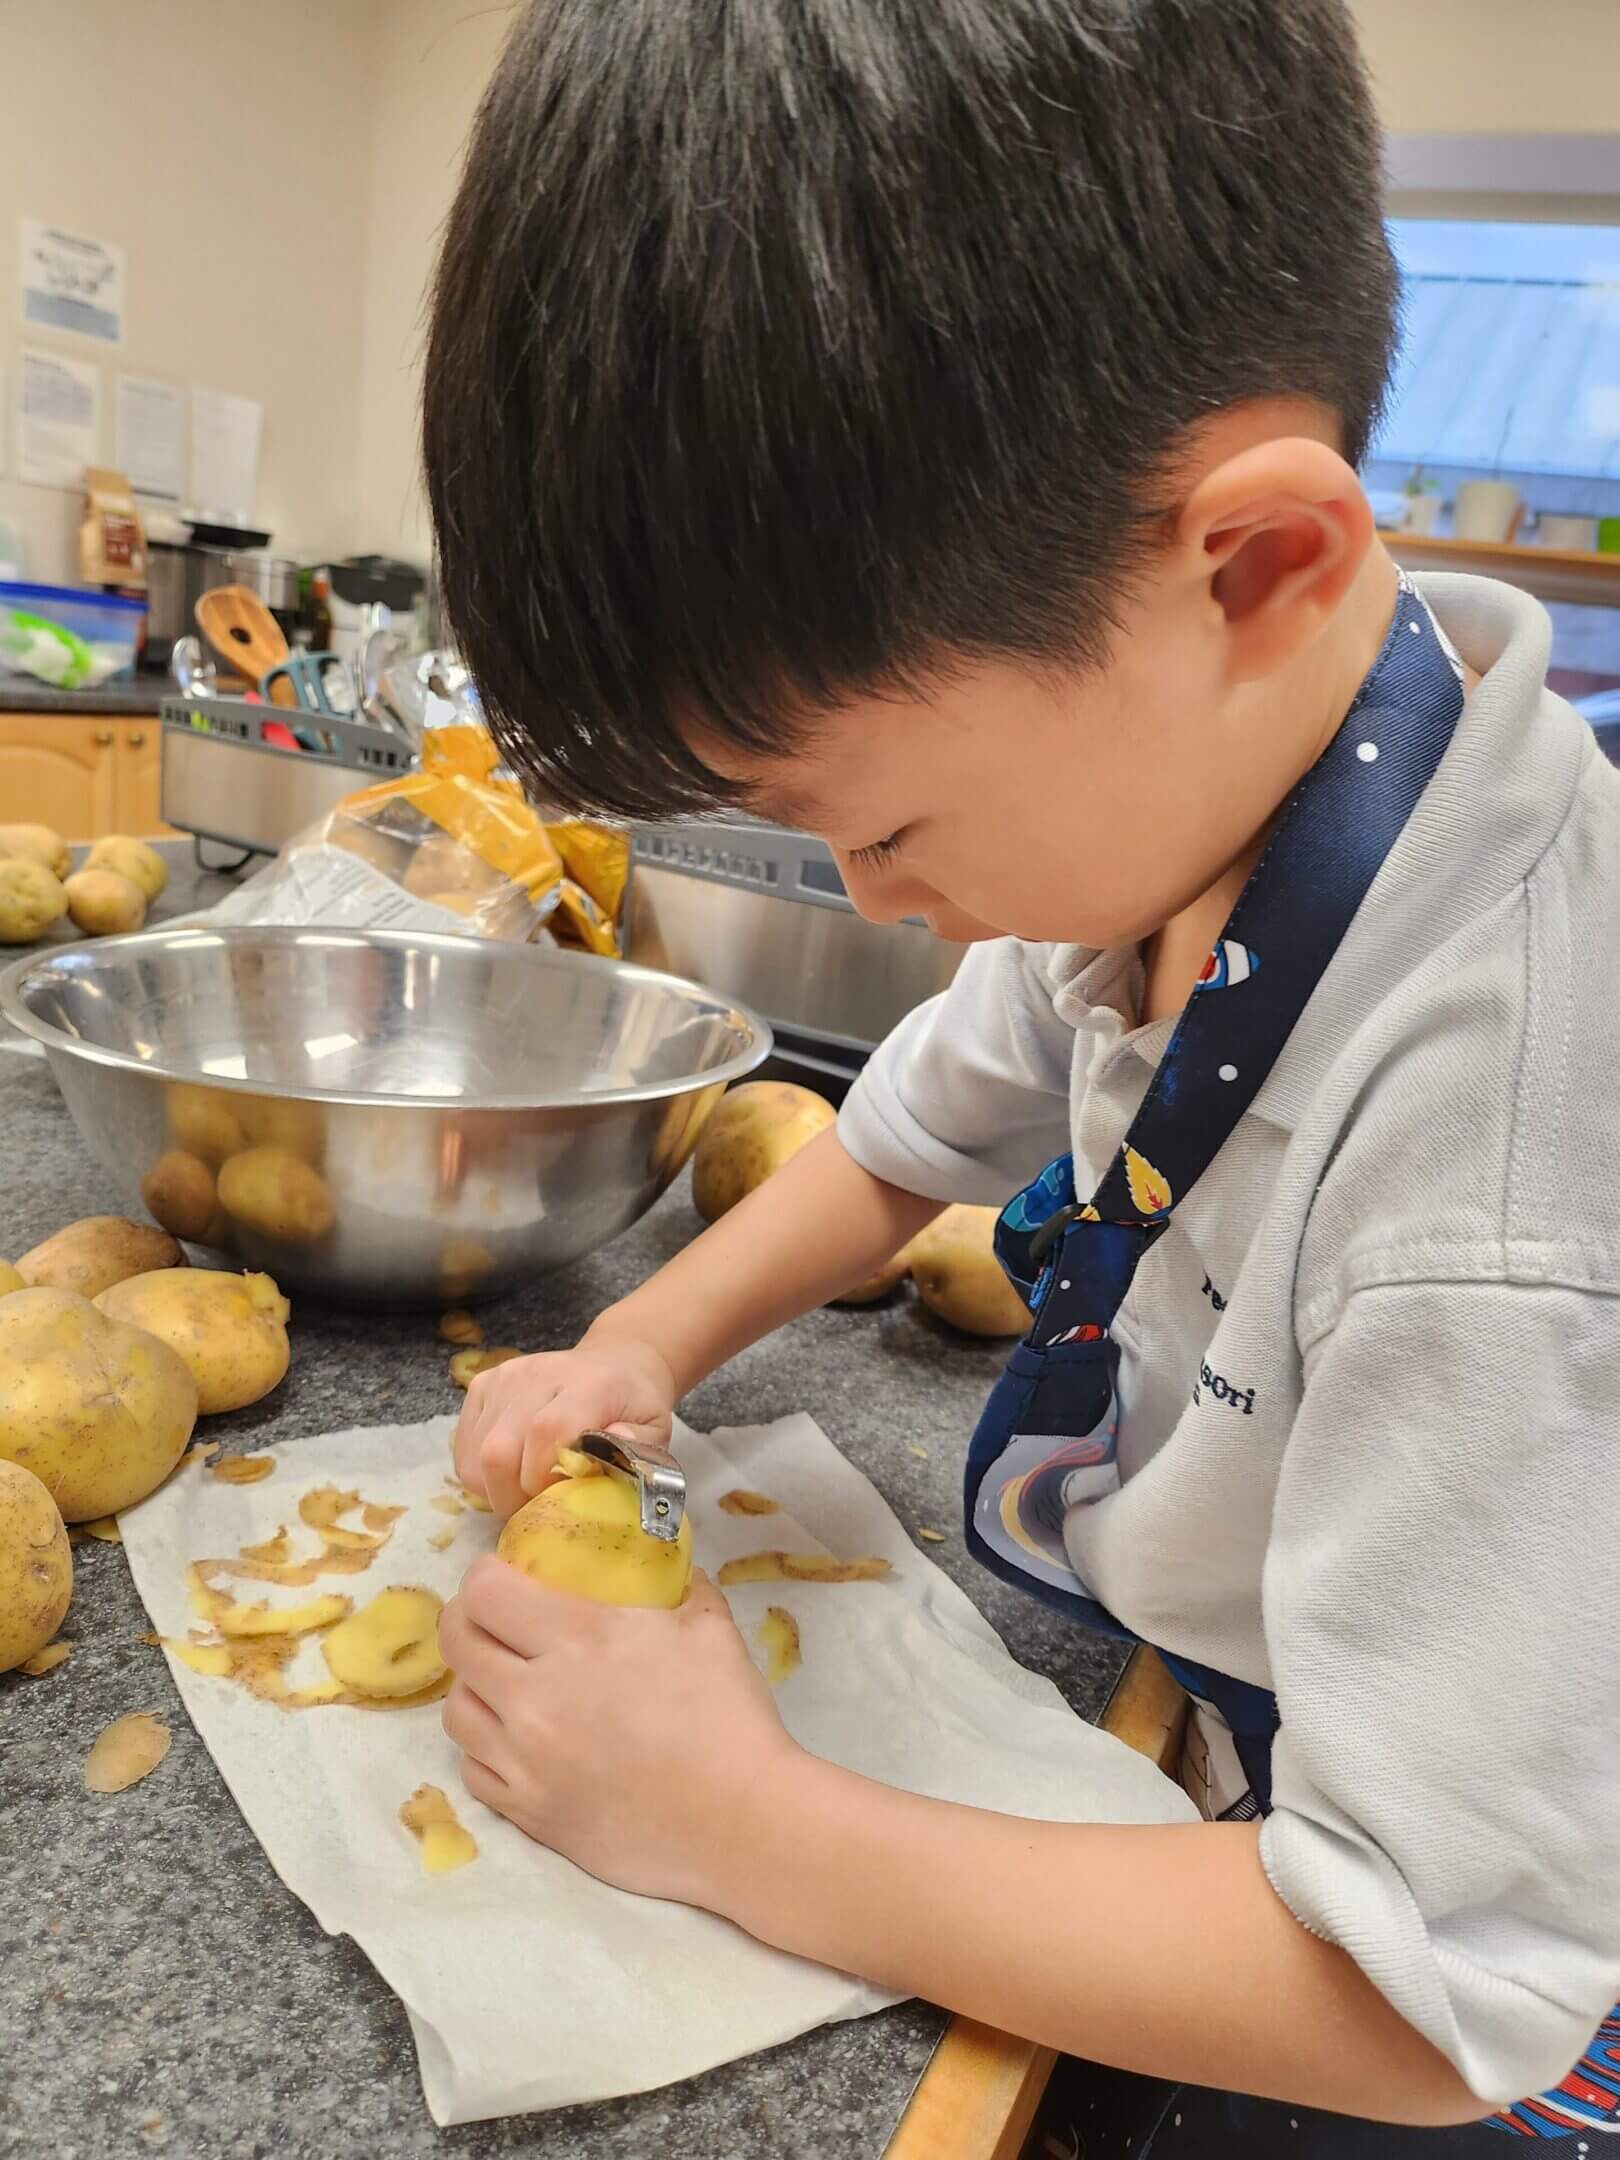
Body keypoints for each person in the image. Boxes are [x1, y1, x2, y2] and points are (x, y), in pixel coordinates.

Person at [420, 0, 1620, 2144]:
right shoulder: (1214, 781)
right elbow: (899, 1139)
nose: (881, 900)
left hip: (1445, 1947)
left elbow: (1437, 1994)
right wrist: (647, 1336)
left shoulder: (1497, 1185)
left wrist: (736, 1817)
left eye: (885, 830)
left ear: (1258, 566)